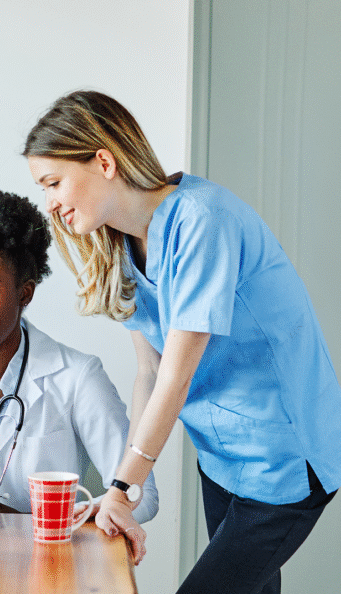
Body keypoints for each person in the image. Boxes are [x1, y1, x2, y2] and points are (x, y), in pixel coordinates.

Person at [24, 90, 341, 590]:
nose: (51, 203)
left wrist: (124, 488)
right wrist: (120, 491)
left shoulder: (201, 220)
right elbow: (148, 374)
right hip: (221, 457)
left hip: (282, 456)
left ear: (103, 161)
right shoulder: (120, 245)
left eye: (54, 183)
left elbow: (176, 374)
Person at [0, 190, 158, 529]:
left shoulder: (77, 377)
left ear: (25, 293)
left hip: (42, 566)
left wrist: (84, 514)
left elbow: (142, 494)